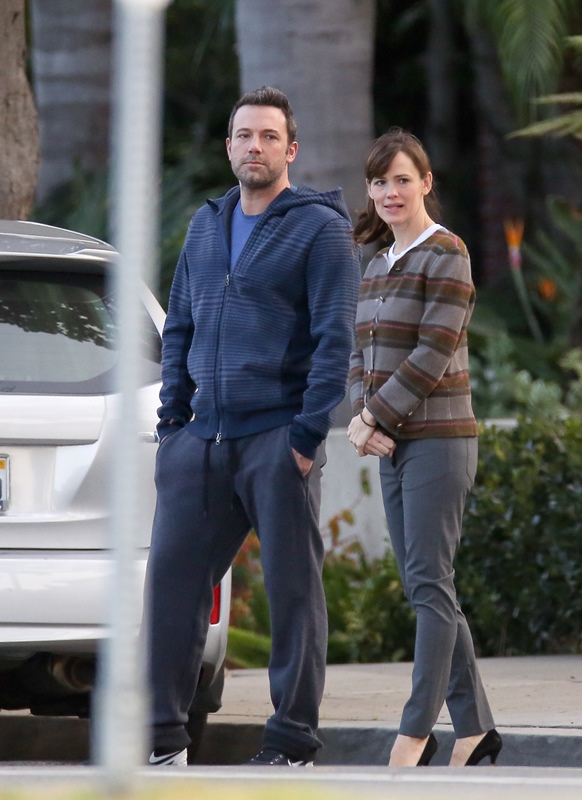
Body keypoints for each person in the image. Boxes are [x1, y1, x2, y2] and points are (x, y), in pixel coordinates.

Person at [145, 86, 361, 767]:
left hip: (277, 437)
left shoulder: (319, 229)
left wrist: (305, 436)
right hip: (201, 440)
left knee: (293, 596)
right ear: (229, 147)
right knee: (172, 591)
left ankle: (291, 743)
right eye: (244, 135)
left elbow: (335, 338)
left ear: (290, 150)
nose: (255, 147)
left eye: (269, 136)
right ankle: (160, 742)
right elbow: (179, 326)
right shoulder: (206, 225)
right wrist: (172, 423)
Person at [347, 128, 502, 768]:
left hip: (439, 439)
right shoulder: (375, 265)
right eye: (380, 181)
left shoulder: (448, 253)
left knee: (430, 583)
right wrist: (361, 415)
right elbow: (359, 356)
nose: (390, 192)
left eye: (402, 180)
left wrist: (371, 416)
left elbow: (432, 354)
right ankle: (476, 728)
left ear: (426, 183)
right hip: (392, 443)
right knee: (424, 585)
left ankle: (415, 732)